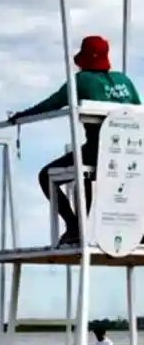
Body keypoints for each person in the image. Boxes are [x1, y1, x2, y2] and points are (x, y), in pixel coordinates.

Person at [8, 35, 142, 246]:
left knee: (46, 176)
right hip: (131, 153)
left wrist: (21, 116)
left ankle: (74, 227)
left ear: (85, 59)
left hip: (100, 152)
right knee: (83, 171)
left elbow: (52, 104)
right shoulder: (125, 81)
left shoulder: (82, 80)